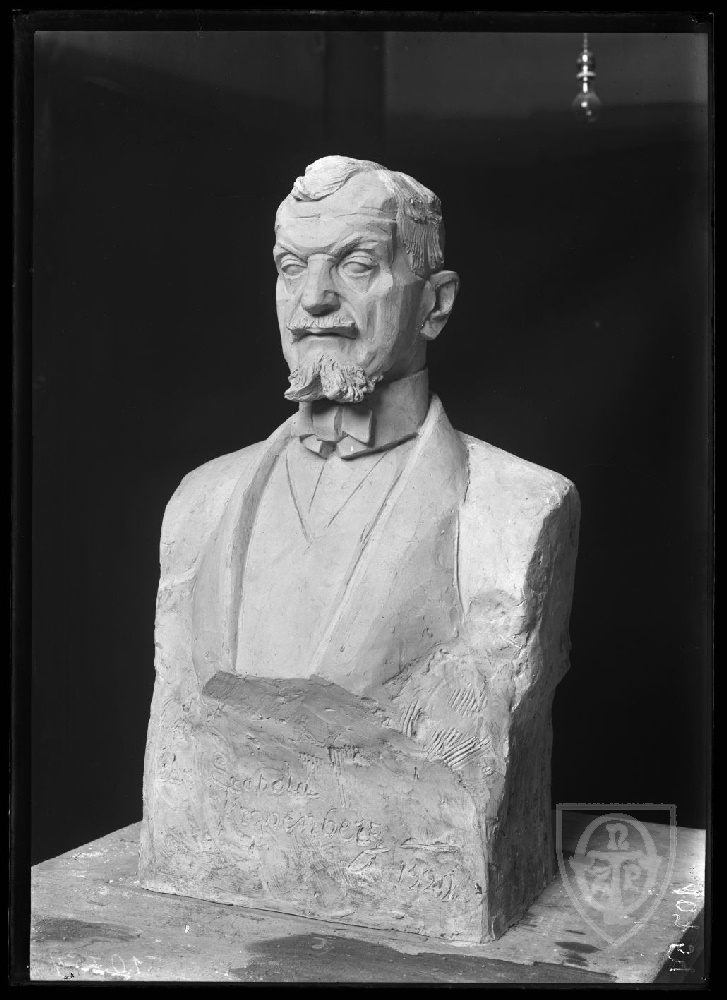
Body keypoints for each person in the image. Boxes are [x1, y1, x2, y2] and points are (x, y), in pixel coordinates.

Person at [141, 156, 580, 939]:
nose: (313, 298)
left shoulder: (516, 512)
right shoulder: (199, 502)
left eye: (354, 265)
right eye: (291, 268)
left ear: (434, 304)